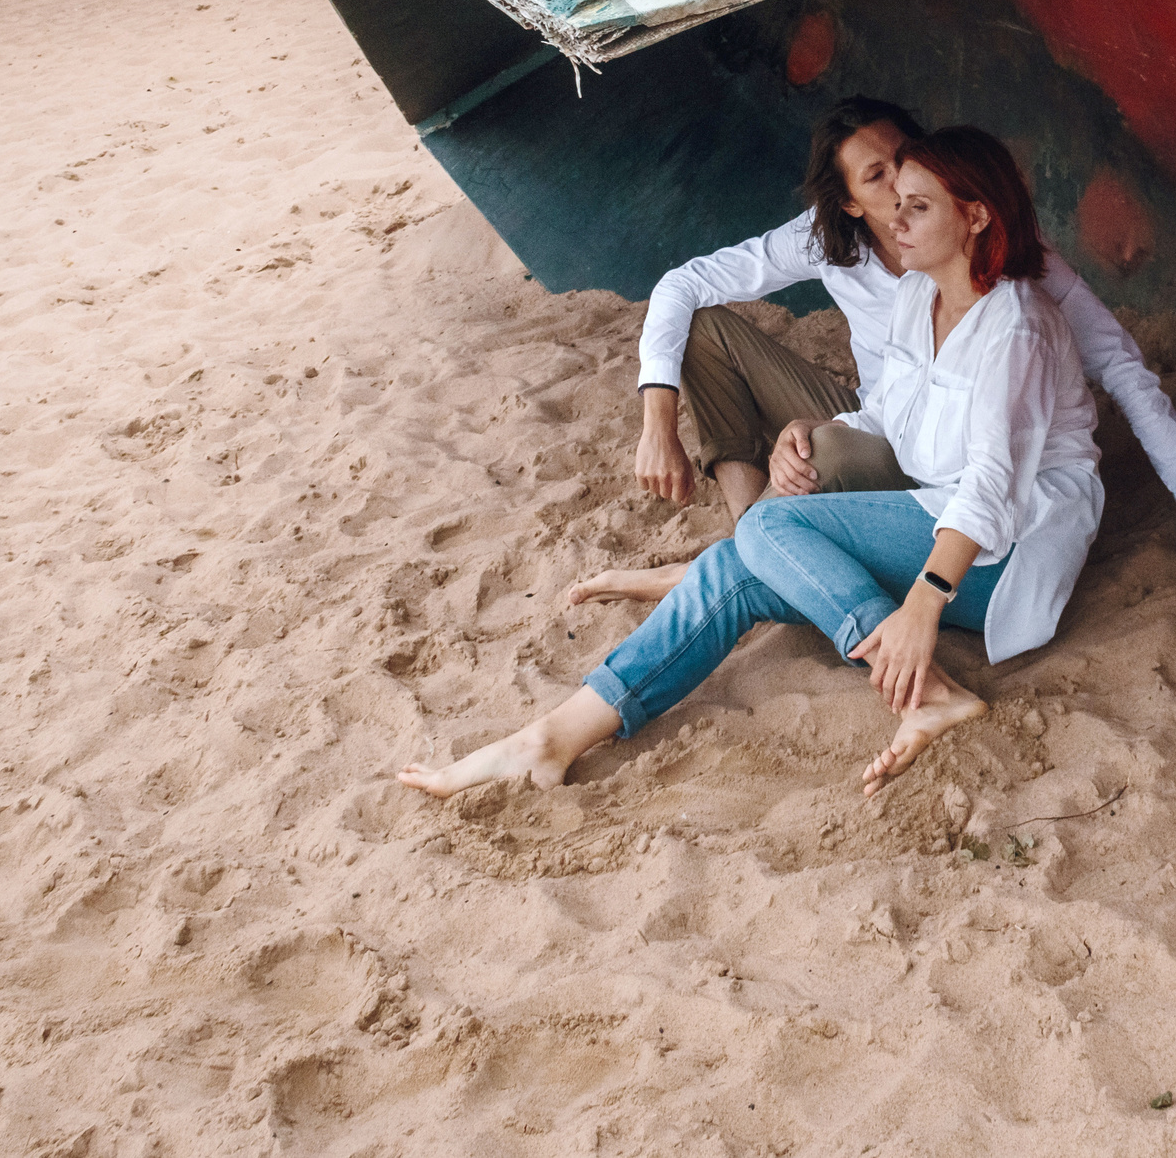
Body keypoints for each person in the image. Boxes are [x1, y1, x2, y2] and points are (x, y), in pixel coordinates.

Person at [400, 127, 1102, 799]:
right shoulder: (922, 293)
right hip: (937, 515)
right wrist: (809, 429)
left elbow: (989, 488)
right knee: (737, 565)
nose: (898, 217)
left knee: (764, 533)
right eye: (895, 200)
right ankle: (551, 739)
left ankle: (930, 689)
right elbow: (892, 413)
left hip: (1004, 553)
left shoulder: (1018, 325)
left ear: (976, 215)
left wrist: (922, 605)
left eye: (919, 205)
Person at [570, 95, 1176, 608]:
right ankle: (751, 538)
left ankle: (745, 562)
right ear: (846, 203)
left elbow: (1117, 360)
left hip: (951, 464)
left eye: (904, 158)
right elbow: (681, 284)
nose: (901, 179)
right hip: (882, 419)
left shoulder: (999, 248)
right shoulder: (827, 241)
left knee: (829, 454)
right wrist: (657, 424)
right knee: (707, 331)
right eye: (876, 177)